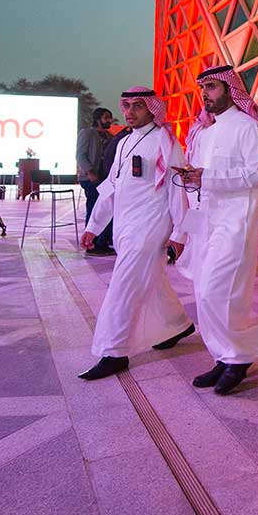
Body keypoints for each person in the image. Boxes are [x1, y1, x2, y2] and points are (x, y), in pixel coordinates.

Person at [77, 87, 194, 380]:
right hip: (125, 226)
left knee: (123, 286)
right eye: (126, 106)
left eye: (137, 106)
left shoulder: (166, 141)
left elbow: (177, 190)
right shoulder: (125, 142)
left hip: (150, 227)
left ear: (152, 109)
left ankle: (113, 352)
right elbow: (111, 187)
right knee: (151, 280)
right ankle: (177, 324)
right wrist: (94, 226)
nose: (129, 112)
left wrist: (180, 232)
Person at [174, 65, 258, 395]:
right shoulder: (206, 133)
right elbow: (202, 178)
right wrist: (193, 179)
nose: (205, 94)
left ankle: (239, 355)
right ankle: (224, 355)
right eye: (202, 87)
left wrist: (207, 178)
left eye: (212, 87)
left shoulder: (250, 128)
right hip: (206, 222)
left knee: (218, 291)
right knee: (202, 292)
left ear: (230, 90)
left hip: (235, 223)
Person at [77, 107, 114, 256]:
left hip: (105, 179)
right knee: (93, 208)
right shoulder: (87, 133)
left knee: (106, 208)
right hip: (92, 179)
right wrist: (90, 172)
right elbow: (80, 155)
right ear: (98, 119)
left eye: (110, 117)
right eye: (106, 117)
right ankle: (92, 244)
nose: (109, 120)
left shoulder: (110, 136)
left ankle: (103, 242)